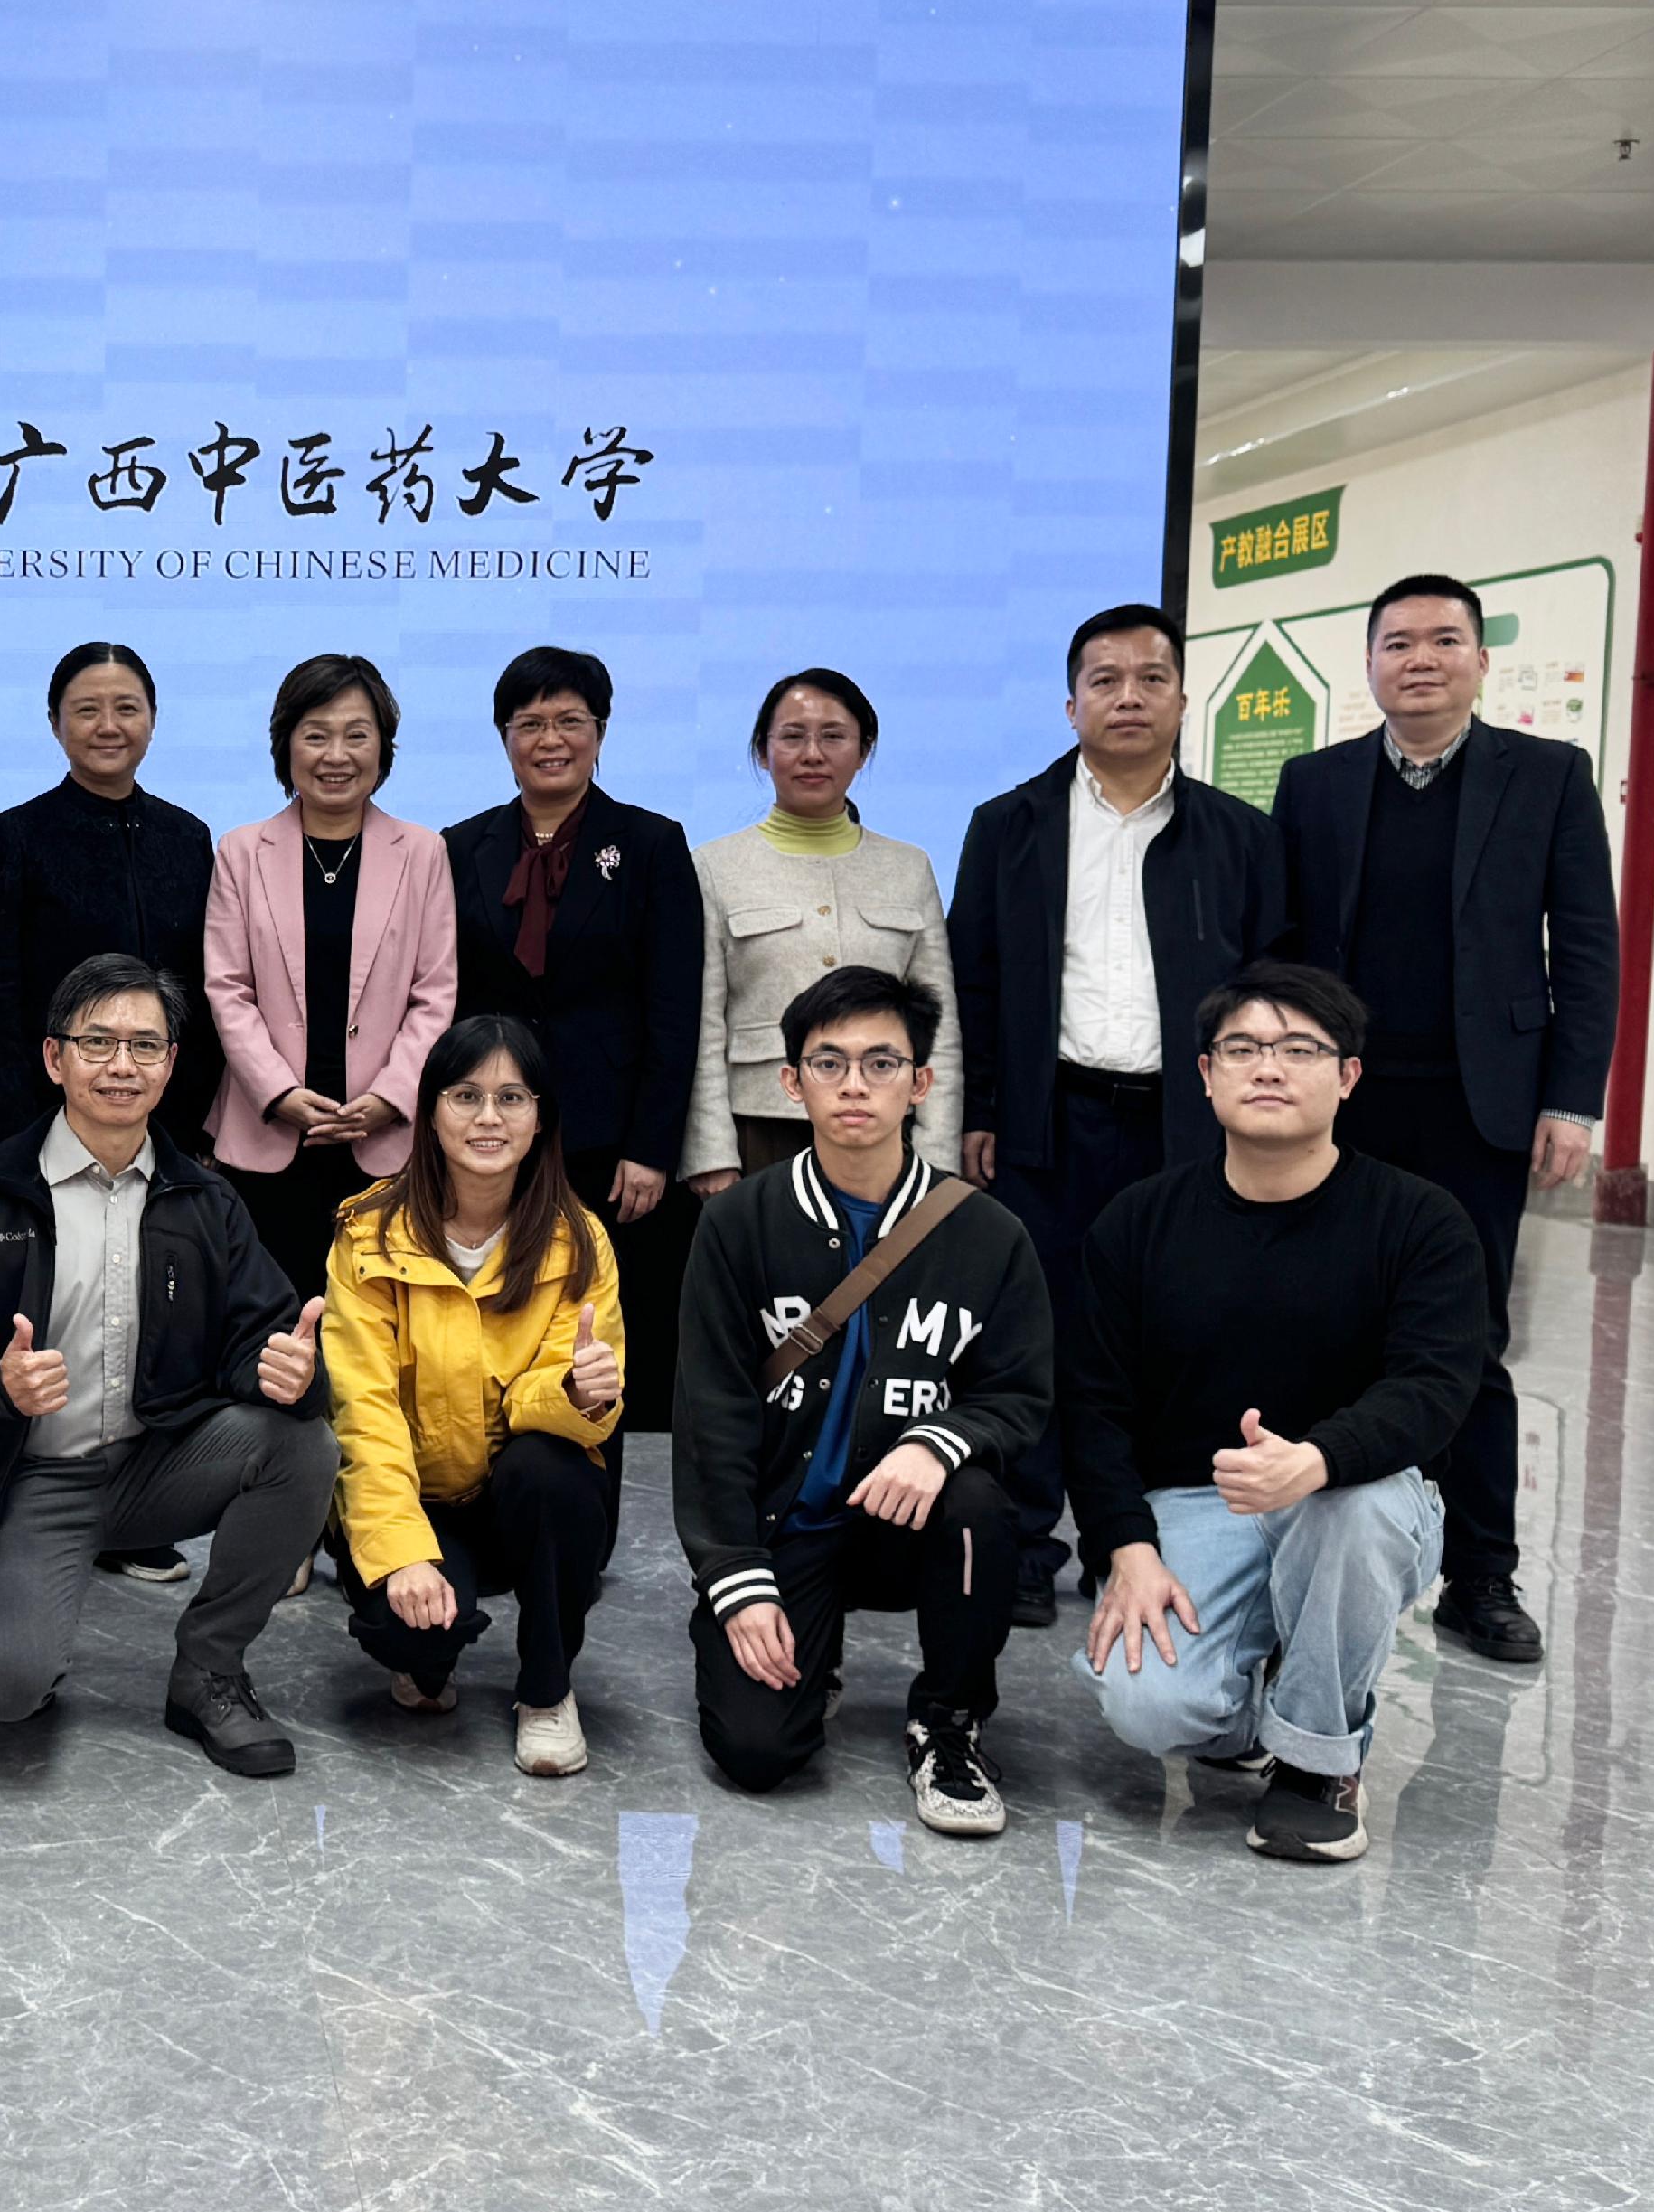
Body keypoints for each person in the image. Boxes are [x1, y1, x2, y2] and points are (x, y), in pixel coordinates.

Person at [1271, 574, 1619, 1667]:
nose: (1418, 658)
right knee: (1320, 1319)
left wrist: (1570, 1097)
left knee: (1468, 1340)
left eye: (1443, 640)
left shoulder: (1548, 775)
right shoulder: (1314, 782)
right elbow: (1284, 947)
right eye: (1396, 642)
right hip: (1343, 1099)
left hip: (1480, 1106)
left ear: (1479, 661)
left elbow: (1589, 948)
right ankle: (1296, 1556)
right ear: (1367, 663)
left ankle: (1481, 1576)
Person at [1070, 963, 1487, 1862]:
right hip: (1195, 1500)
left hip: (1355, 1496)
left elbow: (1434, 1389)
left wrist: (1318, 1456)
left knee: (1352, 1507)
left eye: (1299, 1048)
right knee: (1151, 1707)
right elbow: (1092, 1405)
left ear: (1346, 1076)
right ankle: (1250, 1720)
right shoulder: (1137, 1222)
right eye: (1243, 1048)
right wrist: (1127, 1550)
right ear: (1205, 1072)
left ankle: (1315, 1761)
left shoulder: (1420, 1221)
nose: (1268, 1066)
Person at [0, 955, 338, 1776]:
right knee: (7, 1693)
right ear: (53, 1057)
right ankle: (25, 1594)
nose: (121, 1065)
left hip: (161, 1460)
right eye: (97, 1041)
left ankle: (210, 1667)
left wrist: (290, 1373)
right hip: (37, 1477)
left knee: (301, 1443)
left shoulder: (202, 1199)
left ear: (173, 1063)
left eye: (144, 1044)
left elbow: (271, 1335)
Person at [948, 606, 1286, 1628]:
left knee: (1170, 1330)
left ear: (1184, 697)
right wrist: (981, 1110)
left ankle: (1130, 1540)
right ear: (1071, 703)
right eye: (1105, 679)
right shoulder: (1007, 824)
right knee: (1033, 1330)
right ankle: (1020, 1533)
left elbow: (1273, 983)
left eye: (1150, 678)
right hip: (1048, 1117)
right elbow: (976, 980)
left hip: (1187, 1128)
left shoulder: (1240, 835)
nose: (1128, 696)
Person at [668, 966, 1050, 1834]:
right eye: (829, 1062)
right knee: (758, 1753)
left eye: (882, 1063)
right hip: (786, 1525)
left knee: (978, 1500)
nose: (854, 1086)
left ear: (921, 1082)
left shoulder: (990, 1235)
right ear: (790, 1081)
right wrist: (735, 1573)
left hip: (905, 1521)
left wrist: (941, 1437)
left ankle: (950, 1720)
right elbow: (711, 1415)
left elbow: (1022, 1394)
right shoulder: (738, 1223)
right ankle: (812, 1649)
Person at [0, 640, 221, 1589]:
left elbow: (208, 984)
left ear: (152, 717)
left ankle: (134, 1508)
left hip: (163, 1121)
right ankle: (32, 1498)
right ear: (55, 722)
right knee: (51, 1307)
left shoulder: (190, 837)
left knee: (153, 1307)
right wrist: (10, 1119)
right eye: (86, 709)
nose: (108, 727)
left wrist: (182, 1106)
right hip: (42, 1123)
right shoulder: (16, 832)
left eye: (126, 707)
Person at [328, 1015, 623, 1776]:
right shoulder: (367, 1235)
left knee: (548, 1470)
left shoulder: (578, 1241)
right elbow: (364, 1414)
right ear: (429, 1111)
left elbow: (573, 1396)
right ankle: (428, 1643)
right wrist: (403, 1556)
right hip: (418, 1497)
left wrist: (577, 1393)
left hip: (516, 1498)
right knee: (417, 1643)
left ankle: (547, 1689)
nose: (488, 1117)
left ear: (541, 1117)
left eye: (512, 1097)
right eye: (465, 1095)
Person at [445, 645, 701, 1444]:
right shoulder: (461, 847)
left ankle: (639, 1506)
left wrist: (653, 1147)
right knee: (507, 1310)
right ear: (504, 736)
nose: (550, 738)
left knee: (622, 1323)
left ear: (600, 730)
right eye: (530, 723)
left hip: (613, 1139)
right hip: (497, 1132)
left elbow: (674, 1007)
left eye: (570, 721)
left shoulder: (653, 844)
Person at [205, 652, 460, 1298]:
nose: (336, 754)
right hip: (269, 1136)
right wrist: (278, 1093)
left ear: (383, 747)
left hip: (384, 1140)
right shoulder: (240, 851)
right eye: (315, 734)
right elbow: (227, 988)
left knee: (383, 1327)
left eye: (357, 733)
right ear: (285, 744)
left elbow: (435, 994)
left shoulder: (424, 852)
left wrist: (392, 1096)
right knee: (270, 1323)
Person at [681, 668, 961, 1194]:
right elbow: (703, 1023)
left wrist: (937, 1154)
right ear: (763, 752)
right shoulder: (714, 866)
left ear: (863, 750)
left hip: (884, 1127)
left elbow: (939, 1025)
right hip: (760, 1127)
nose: (813, 753)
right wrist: (710, 1151)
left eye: (833, 736)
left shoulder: (909, 867)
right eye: (792, 736)